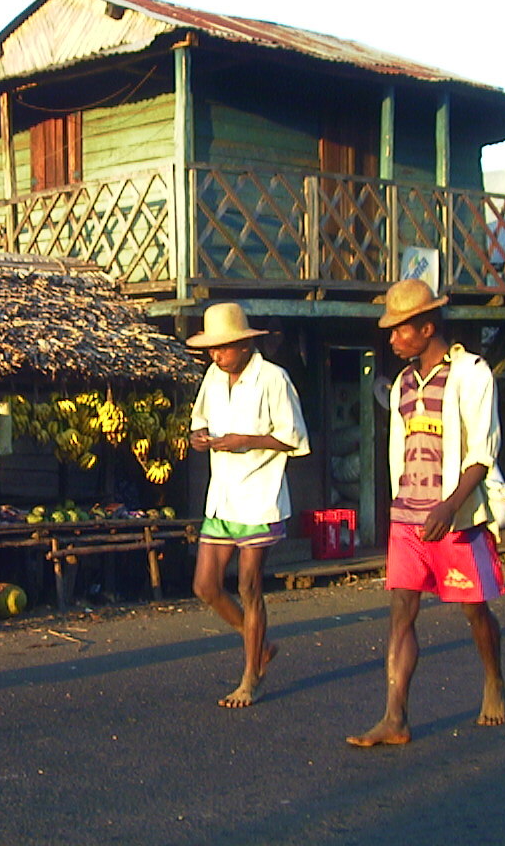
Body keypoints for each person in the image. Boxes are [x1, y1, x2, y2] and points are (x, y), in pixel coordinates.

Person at [347, 279, 505, 747]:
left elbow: (482, 452)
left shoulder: (472, 373)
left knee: (474, 612)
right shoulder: (401, 385)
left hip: (454, 516)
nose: (393, 339)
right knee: (401, 613)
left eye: (400, 330)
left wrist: (450, 504)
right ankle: (394, 717)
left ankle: (494, 678)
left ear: (427, 327)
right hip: (408, 518)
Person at [188, 302, 309, 708]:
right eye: (212, 349)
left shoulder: (273, 378)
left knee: (248, 585)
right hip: (222, 496)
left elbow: (293, 437)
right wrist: (200, 438)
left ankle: (249, 678)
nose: (216, 355)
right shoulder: (213, 377)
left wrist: (245, 440)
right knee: (205, 585)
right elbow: (198, 420)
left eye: (222, 348)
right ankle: (258, 644)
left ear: (244, 345)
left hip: (259, 495)